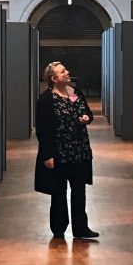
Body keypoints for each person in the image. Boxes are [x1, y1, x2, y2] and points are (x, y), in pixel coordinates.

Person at [34, 61, 99, 239]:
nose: (67, 72)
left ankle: (81, 228)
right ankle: (59, 228)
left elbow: (88, 113)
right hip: (59, 153)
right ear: (54, 79)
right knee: (58, 193)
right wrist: (47, 155)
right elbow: (43, 128)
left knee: (80, 191)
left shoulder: (76, 93)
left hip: (79, 151)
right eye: (63, 72)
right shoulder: (47, 99)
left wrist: (87, 118)